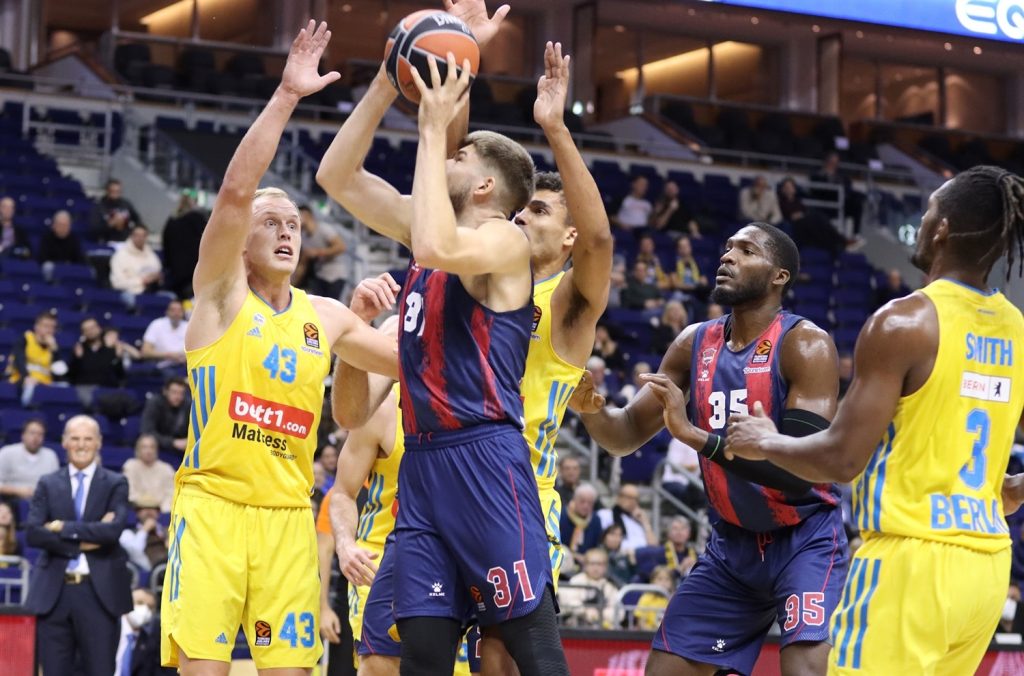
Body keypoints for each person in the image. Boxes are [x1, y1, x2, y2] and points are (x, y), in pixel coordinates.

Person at [318, 31, 595, 676]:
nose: (449, 152)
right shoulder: (433, 228)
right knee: (423, 644)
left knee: (530, 641)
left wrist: (433, 125)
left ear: (485, 186)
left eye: (461, 153)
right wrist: (392, 76)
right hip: (423, 462)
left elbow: (437, 248)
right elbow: (335, 175)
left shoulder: (504, 243)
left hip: (486, 456)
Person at [158, 21, 398, 676]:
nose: (286, 231)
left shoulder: (328, 315)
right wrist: (289, 95)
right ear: (240, 240)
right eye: (271, 223)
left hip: (290, 517)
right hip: (212, 509)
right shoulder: (218, 296)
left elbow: (415, 365)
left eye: (294, 223)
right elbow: (237, 192)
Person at [726, 166, 1024, 674]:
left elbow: (841, 458)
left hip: (911, 563)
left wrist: (767, 440)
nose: (924, 220)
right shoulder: (1015, 326)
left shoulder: (904, 320)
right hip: (987, 565)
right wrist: (1011, 485)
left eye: (928, 211)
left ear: (943, 228)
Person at [574, 221, 849, 675]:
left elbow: (804, 472)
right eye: (726, 248)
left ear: (779, 275)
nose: (727, 256)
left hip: (804, 537)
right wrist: (589, 407)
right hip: (732, 544)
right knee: (663, 670)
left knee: (802, 670)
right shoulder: (693, 343)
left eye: (746, 250)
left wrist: (699, 437)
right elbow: (622, 436)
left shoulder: (805, 344)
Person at [24, 415, 133, 676]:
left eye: (87, 439)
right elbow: (34, 534)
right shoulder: (48, 483)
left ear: (99, 443)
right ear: (63, 442)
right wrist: (85, 541)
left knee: (100, 671)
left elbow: (112, 532)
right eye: (74, 438)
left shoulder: (116, 482)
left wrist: (62, 527)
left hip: (99, 595)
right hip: (54, 594)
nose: (81, 444)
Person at [114, 588, 174, 676]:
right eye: (139, 603)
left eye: (150, 607)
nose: (144, 609)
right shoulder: (107, 629)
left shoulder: (149, 643)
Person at [69, 316, 125, 407]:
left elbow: (120, 375)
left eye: (92, 328)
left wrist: (118, 358)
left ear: (99, 328)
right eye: (86, 329)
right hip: (85, 390)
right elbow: (71, 376)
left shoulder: (110, 350)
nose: (90, 331)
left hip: (107, 390)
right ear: (83, 333)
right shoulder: (79, 350)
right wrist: (78, 359)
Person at [6, 310, 59, 405]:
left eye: (53, 327)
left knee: (64, 387)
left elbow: (61, 373)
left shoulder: (53, 347)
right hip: (24, 382)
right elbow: (19, 359)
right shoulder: (26, 338)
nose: (50, 330)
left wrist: (56, 351)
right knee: (30, 386)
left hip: (45, 385)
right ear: (37, 326)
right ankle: (27, 409)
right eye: (46, 326)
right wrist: (26, 376)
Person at [0, 418, 59, 503]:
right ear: (23, 435)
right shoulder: (7, 452)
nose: (35, 438)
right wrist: (17, 491)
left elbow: (55, 486)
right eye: (32, 433)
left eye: (40, 434)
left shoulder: (50, 456)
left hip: (43, 502)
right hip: (12, 501)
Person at [296, 205, 348, 300]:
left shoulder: (324, 229)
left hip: (335, 275)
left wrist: (318, 252)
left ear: (306, 215)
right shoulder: (303, 236)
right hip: (320, 275)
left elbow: (341, 247)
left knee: (332, 308)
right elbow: (304, 261)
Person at [162, 192, 207, 300]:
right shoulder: (197, 218)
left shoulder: (171, 220)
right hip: (193, 267)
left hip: (175, 270)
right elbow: (207, 239)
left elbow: (165, 244)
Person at [596, 483, 658, 555]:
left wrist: (645, 523)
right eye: (629, 497)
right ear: (619, 497)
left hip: (641, 558)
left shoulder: (639, 522)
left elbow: (654, 547)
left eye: (636, 499)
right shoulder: (604, 515)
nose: (633, 501)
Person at [121, 434, 175, 513]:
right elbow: (130, 492)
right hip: (137, 510)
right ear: (138, 450)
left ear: (156, 450)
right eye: (144, 447)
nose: (148, 451)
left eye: (152, 447)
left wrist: (160, 508)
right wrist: (145, 504)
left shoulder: (166, 469)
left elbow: (171, 493)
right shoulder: (130, 466)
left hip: (161, 511)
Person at [110, 225, 164, 304]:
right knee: (130, 299)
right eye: (137, 235)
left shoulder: (152, 255)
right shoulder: (120, 256)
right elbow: (117, 283)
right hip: (131, 292)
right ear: (131, 236)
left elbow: (159, 274)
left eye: (143, 235)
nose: (140, 238)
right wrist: (142, 281)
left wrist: (158, 278)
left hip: (152, 290)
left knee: (171, 297)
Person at [140, 377, 190, 455]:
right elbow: (147, 432)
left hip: (183, 451)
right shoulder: (155, 403)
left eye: (181, 393)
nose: (178, 397)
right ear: (165, 391)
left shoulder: (188, 404)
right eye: (174, 392)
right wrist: (172, 442)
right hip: (158, 449)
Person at [141, 299, 189, 378]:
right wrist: (168, 355)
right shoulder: (157, 324)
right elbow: (145, 351)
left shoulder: (188, 326)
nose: (176, 313)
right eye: (173, 310)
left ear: (183, 313)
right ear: (167, 312)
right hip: (162, 365)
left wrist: (185, 358)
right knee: (171, 375)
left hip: (185, 365)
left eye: (179, 310)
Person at [119, 499, 168, 572]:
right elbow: (135, 553)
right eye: (144, 509)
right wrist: (144, 530)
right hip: (148, 576)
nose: (149, 512)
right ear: (137, 513)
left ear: (158, 512)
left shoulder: (168, 531)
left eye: (153, 508)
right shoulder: (128, 533)